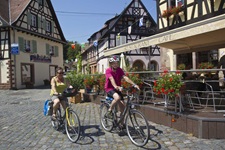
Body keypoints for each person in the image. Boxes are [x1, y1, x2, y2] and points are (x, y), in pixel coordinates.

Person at [104, 55, 140, 123]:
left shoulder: (119, 70)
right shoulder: (108, 70)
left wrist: (134, 84)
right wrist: (115, 86)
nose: (115, 64)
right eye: (114, 63)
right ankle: (109, 111)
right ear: (111, 64)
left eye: (116, 63)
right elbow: (111, 79)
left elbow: (125, 78)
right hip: (109, 88)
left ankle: (121, 125)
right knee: (117, 98)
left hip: (118, 89)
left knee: (123, 109)